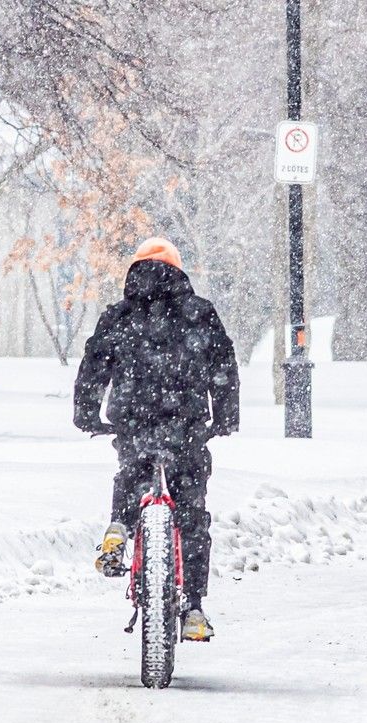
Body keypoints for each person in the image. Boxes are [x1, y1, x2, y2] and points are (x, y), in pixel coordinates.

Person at [73, 237, 239, 642]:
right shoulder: (199, 314)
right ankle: (194, 608)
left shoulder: (119, 316)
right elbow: (223, 364)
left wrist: (86, 412)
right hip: (186, 424)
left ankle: (118, 527)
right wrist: (225, 416)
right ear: (179, 272)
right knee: (193, 513)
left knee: (133, 473)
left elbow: (94, 363)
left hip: (135, 419)